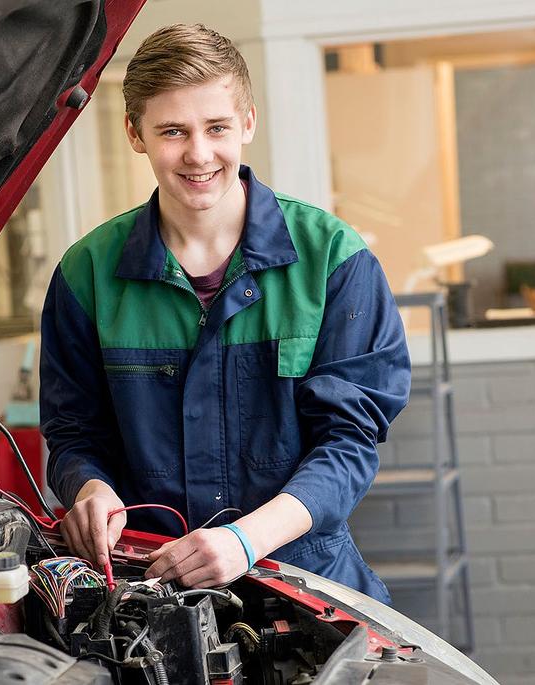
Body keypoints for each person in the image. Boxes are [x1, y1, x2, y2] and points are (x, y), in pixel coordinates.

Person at [39, 23, 410, 603]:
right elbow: (73, 432)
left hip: (305, 582)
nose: (198, 154)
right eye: (172, 131)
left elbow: (349, 443)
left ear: (248, 123)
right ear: (135, 134)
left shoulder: (333, 259)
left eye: (216, 127)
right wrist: (89, 488)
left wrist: (244, 541)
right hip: (146, 588)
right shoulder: (86, 275)